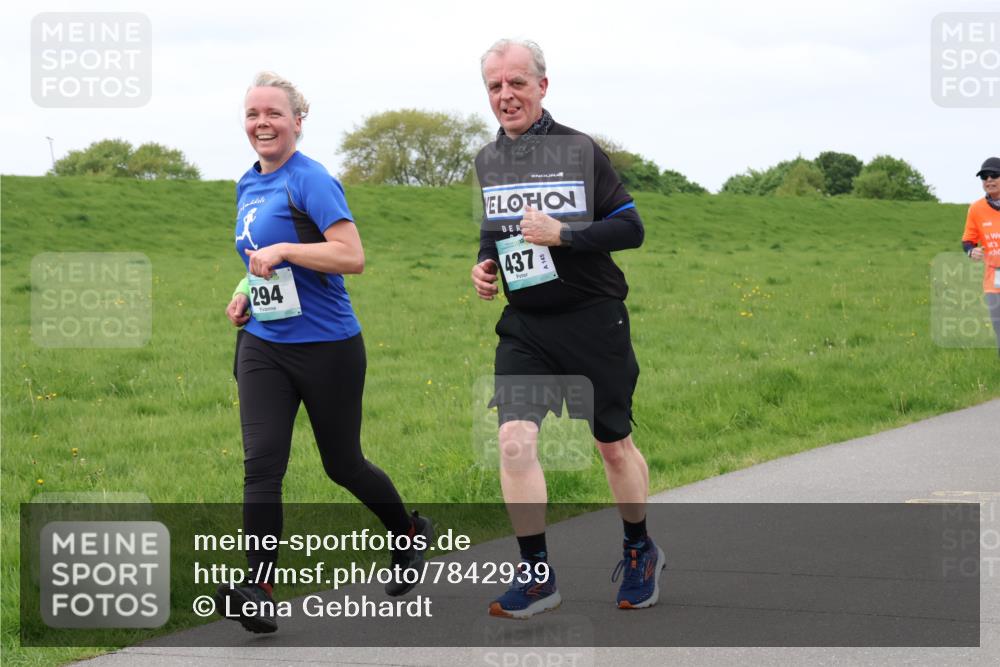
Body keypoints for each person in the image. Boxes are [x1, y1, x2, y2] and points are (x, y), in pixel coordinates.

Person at [217, 72, 432, 634]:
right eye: (252, 114)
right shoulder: (247, 184)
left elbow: (351, 256)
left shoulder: (310, 181)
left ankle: (408, 533)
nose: (261, 123)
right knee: (262, 466)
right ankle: (258, 587)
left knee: (343, 465)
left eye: (273, 114)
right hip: (264, 345)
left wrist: (287, 247)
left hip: (328, 348)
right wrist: (244, 294)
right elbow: (256, 259)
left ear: (297, 121)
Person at [470, 39, 663, 619]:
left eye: (517, 84)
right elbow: (496, 229)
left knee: (612, 447)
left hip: (592, 321)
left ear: (542, 87)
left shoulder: (580, 151)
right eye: (495, 87)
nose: (506, 96)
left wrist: (567, 235)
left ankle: (639, 548)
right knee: (513, 440)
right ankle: (536, 577)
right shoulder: (487, 160)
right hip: (527, 328)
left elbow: (631, 228)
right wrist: (483, 265)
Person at [962, 157, 1000, 355]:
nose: (989, 180)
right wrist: (971, 250)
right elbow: (968, 240)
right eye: (985, 176)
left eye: (994, 175)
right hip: (993, 280)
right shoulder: (976, 209)